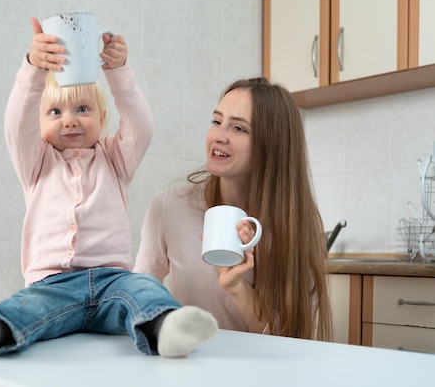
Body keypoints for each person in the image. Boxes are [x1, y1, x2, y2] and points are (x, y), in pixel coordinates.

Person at [0, 17, 218, 360]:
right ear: (39, 125)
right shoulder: (35, 162)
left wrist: (119, 72)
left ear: (102, 119)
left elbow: (142, 126)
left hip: (113, 282)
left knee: (144, 288)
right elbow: (16, 123)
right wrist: (33, 70)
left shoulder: (115, 158)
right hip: (51, 285)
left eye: (82, 109)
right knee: (25, 308)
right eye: (54, 111)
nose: (69, 119)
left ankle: (166, 329)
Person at [134, 77, 332, 341]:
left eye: (238, 128)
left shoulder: (298, 222)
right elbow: (135, 297)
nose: (219, 136)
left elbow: (290, 340)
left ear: (270, 145)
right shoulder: (170, 205)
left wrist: (237, 287)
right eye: (217, 122)